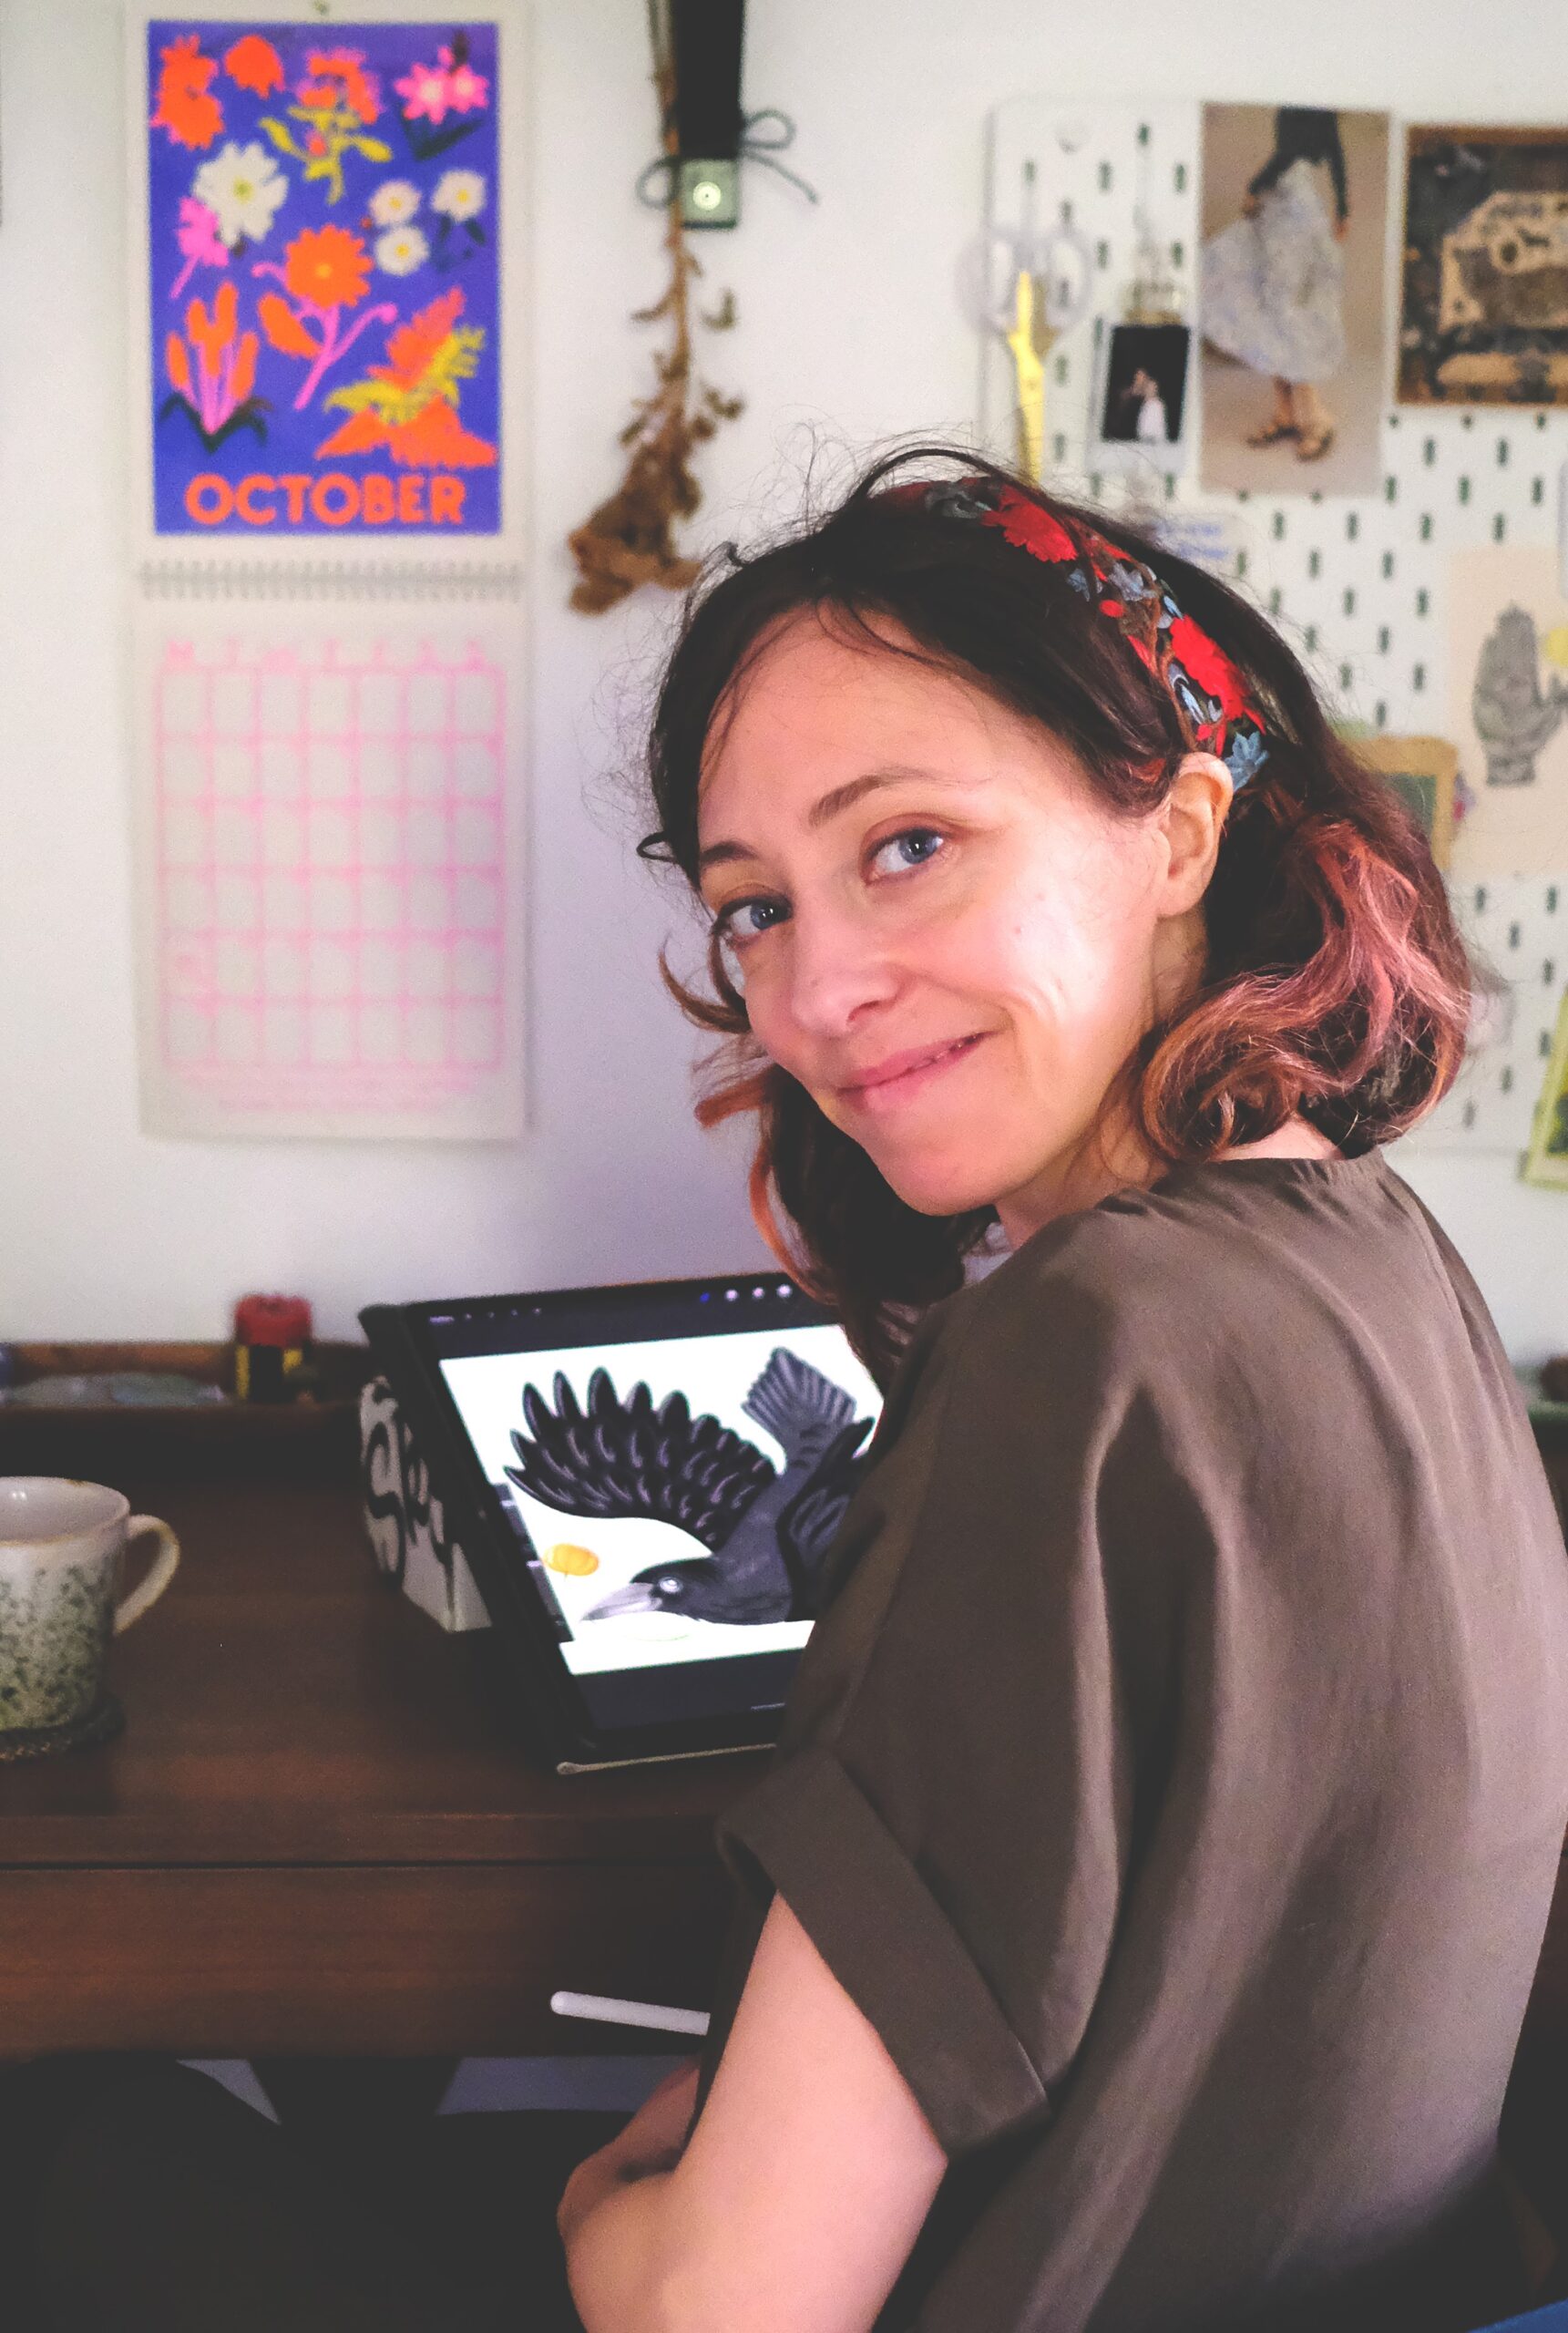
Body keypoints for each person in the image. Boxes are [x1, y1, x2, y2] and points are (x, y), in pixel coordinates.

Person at [12, 450, 1568, 2333]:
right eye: (753, 905)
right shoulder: (1385, 1256)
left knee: (67, 2136)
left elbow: (716, 2308)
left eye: (907, 845)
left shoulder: (1082, 1345)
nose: (815, 992)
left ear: (1175, 832)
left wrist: (611, 2214)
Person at [1202, 108, 1349, 462]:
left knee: (1287, 318)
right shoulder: (1315, 115)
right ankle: (1286, 413)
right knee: (1273, 317)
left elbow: (1288, 152)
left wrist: (1254, 188)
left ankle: (1316, 420)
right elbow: (1334, 155)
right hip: (1289, 214)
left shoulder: (1300, 114)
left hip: (1291, 219)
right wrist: (1343, 208)